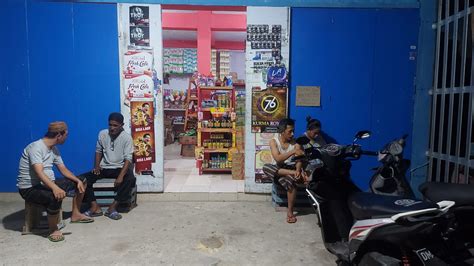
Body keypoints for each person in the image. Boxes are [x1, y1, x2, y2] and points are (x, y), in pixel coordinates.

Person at [17, 121, 94, 242]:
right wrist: (55, 188)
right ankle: (53, 229)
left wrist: (77, 181)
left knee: (82, 180)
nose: (67, 137)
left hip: (47, 183)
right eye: (66, 135)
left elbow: (63, 169)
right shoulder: (36, 147)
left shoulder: (54, 149)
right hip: (30, 188)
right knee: (55, 196)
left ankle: (76, 214)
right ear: (59, 135)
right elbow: (39, 172)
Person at [81, 112, 136, 220]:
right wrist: (96, 166)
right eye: (110, 125)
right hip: (104, 167)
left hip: (119, 167)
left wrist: (120, 176)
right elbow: (98, 151)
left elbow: (128, 159)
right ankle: (94, 207)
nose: (112, 128)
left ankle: (113, 207)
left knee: (130, 178)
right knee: (82, 179)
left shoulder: (127, 138)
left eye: (115, 125)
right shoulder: (102, 134)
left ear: (122, 125)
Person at [262, 118, 307, 224]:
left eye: (293, 131)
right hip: (277, 171)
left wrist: (297, 169)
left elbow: (299, 159)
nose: (292, 134)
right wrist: (293, 151)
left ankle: (290, 212)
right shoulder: (274, 141)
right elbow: (278, 158)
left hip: (289, 171)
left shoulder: (296, 143)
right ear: (282, 132)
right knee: (266, 167)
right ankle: (292, 174)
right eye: (289, 131)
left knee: (291, 181)